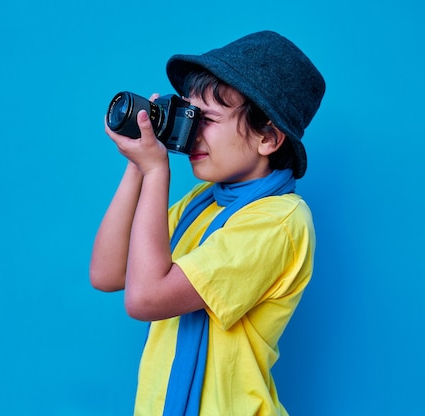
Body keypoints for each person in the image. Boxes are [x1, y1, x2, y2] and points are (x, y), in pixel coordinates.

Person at [90, 30, 325, 416]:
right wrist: (138, 166)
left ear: (268, 137)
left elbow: (145, 297)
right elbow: (108, 273)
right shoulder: (201, 206)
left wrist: (156, 172)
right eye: (188, 115)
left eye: (209, 119)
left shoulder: (279, 221)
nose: (191, 132)